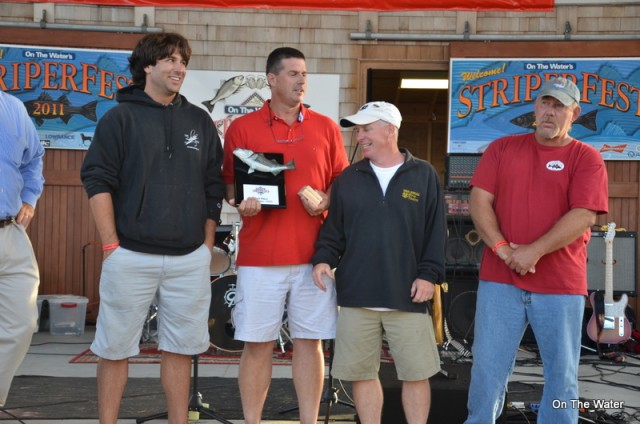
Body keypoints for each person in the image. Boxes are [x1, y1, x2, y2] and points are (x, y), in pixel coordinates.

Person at [80, 32, 225, 422]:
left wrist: (206, 243)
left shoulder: (199, 120)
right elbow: (97, 179)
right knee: (114, 349)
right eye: (170, 60)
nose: (179, 68)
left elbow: (213, 184)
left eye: (183, 62)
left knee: (180, 349)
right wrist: (111, 245)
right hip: (129, 254)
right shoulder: (119, 118)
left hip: (188, 258)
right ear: (147, 66)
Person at [464, 77, 609, 423]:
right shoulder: (502, 148)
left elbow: (584, 214)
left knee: (561, 377)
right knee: (486, 371)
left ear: (575, 113)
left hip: (560, 284)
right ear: (535, 106)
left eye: (559, 106)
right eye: (546, 103)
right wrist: (503, 249)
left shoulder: (586, 157)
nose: (550, 112)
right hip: (500, 280)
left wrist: (534, 252)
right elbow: (479, 201)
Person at [221, 47, 349, 424]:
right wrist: (240, 201)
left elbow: (341, 181)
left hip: (315, 258)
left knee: (310, 343)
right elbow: (229, 185)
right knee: (257, 345)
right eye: (293, 73)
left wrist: (327, 198)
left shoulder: (326, 127)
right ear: (272, 79)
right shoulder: (242, 127)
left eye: (304, 74)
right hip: (260, 257)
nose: (301, 80)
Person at [312, 101, 446, 424]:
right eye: (358, 130)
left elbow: (436, 233)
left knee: (416, 374)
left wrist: (429, 275)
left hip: (409, 294)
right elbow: (333, 232)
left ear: (389, 130)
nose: (359, 137)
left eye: (366, 129)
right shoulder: (347, 179)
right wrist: (322, 260)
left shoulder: (424, 175)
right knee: (361, 374)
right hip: (357, 296)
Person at [0, 90, 45, 407]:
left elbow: (34, 158)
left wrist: (29, 198)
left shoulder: (13, 107)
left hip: (11, 231)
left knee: (22, 323)